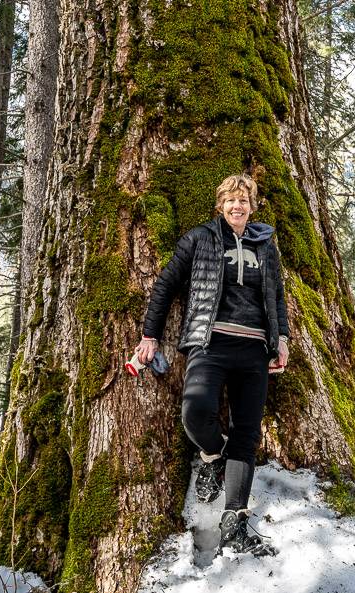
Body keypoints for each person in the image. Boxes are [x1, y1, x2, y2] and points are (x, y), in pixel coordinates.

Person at [135, 173, 290, 557]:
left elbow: (277, 296)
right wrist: (149, 335)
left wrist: (281, 339)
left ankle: (235, 522)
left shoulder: (266, 245)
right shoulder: (200, 238)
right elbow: (166, 284)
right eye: (231, 200)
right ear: (220, 204)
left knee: (247, 433)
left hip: (254, 350)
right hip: (210, 343)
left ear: (253, 206)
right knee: (196, 411)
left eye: (244, 201)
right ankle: (211, 456)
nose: (238, 207)